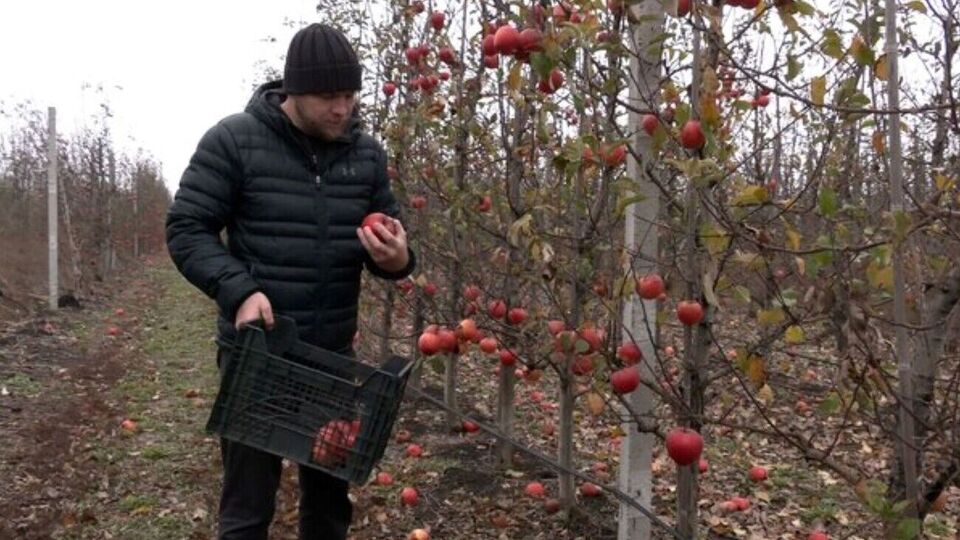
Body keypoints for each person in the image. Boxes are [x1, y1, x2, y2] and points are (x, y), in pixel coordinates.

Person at [165, 22, 416, 540]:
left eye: (349, 95)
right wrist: (239, 290)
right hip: (258, 354)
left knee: (328, 505)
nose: (342, 109)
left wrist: (397, 257)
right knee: (248, 505)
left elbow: (388, 238)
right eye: (328, 96)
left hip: (330, 357)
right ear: (292, 91)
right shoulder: (234, 141)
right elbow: (187, 229)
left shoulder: (365, 155)